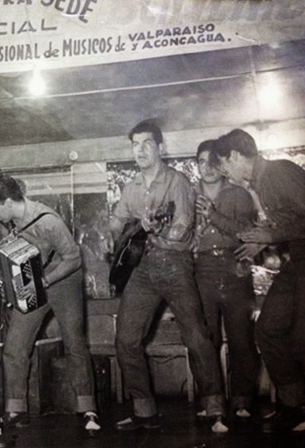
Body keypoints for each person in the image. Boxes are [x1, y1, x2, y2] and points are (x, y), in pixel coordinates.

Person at [108, 121, 228, 433]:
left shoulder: (178, 182)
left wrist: (155, 230)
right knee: (125, 339)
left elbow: (183, 227)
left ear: (161, 148)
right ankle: (143, 410)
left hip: (174, 263)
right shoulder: (131, 187)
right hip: (142, 268)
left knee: (196, 335)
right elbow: (115, 223)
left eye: (147, 143)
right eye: (135, 144)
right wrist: (125, 233)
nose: (140, 150)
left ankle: (214, 407)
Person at [0, 173, 101, 435]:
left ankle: (88, 408)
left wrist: (46, 280)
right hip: (36, 280)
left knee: (74, 342)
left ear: (7, 202)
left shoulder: (48, 221)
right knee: (14, 346)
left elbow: (74, 258)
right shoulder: (12, 221)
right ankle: (16, 409)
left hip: (64, 280)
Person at [212, 129, 305, 432]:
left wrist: (271, 235)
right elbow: (289, 226)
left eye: (224, 164)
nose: (224, 171)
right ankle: (294, 407)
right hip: (297, 262)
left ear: (236, 156)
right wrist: (263, 242)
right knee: (268, 330)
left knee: (301, 341)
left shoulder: (279, 172)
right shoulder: (261, 185)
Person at [192, 140, 260, 419]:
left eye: (212, 161)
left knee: (241, 338)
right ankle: (211, 400)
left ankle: (242, 400)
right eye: (201, 161)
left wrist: (213, 216)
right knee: (205, 339)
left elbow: (246, 233)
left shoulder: (239, 194)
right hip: (202, 270)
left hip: (235, 268)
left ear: (222, 164)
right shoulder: (187, 194)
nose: (207, 167)